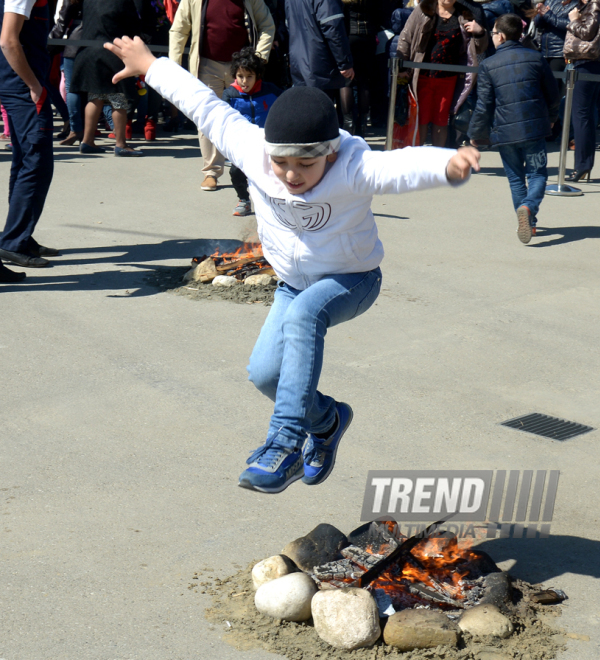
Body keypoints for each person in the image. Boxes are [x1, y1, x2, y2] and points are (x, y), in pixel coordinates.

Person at [104, 35, 481, 493]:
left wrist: (448, 164)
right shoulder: (254, 151)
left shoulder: (353, 167)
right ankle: (327, 422)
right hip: (292, 284)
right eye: (282, 163)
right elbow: (205, 106)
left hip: (352, 278)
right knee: (264, 375)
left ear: (330, 153)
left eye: (305, 164)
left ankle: (284, 443)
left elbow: (399, 166)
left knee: (306, 317)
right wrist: (150, 65)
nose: (290, 175)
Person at [469, 13, 559, 243]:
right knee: (537, 174)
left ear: (500, 35)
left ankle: (527, 218)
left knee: (516, 179)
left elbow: (484, 104)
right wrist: (551, 118)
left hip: (505, 131)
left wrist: (476, 134)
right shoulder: (536, 58)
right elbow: (552, 93)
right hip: (535, 128)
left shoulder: (489, 64)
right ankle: (529, 210)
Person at [169, 0, 275, 191]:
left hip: (243, 71)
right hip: (207, 65)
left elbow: (267, 24)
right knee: (208, 117)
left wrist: (258, 59)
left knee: (248, 117)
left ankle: (250, 168)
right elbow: (179, 29)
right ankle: (211, 171)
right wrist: (174, 65)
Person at [0, 0, 58, 282]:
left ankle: (19, 234)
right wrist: (34, 85)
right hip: (23, 86)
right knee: (36, 163)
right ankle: (14, 241)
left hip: (18, 83)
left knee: (26, 160)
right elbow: (8, 41)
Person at [396, 0, 488, 147]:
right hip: (422, 75)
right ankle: (418, 162)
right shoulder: (423, 9)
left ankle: (437, 163)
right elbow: (406, 37)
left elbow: (479, 49)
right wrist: (401, 66)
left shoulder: (465, 14)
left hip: (449, 78)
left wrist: (480, 32)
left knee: (441, 121)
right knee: (422, 120)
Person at [71, 0, 156, 157]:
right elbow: (133, 26)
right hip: (113, 52)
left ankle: (87, 141)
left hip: (89, 51)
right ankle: (121, 144)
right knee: (119, 98)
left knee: (95, 97)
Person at [222, 46, 281, 216]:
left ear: (258, 76)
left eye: (249, 76)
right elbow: (223, 119)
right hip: (243, 143)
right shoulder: (230, 94)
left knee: (271, 173)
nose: (244, 81)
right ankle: (244, 200)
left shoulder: (270, 90)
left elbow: (286, 104)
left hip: (267, 142)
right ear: (235, 76)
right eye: (240, 76)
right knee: (236, 172)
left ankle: (273, 203)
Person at [563, 0, 600, 183]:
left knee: (581, 114)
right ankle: (584, 165)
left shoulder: (596, 3)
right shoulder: (597, 3)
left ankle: (582, 165)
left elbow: (587, 32)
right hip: (593, 62)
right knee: (585, 114)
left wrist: (574, 20)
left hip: (589, 61)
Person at [284, 0, 355, 90]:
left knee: (306, 100)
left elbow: (289, 25)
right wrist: (344, 63)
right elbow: (333, 29)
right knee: (321, 101)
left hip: (298, 63)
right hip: (321, 65)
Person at [340, 0, 382, 137]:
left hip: (350, 38)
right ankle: (362, 126)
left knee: (347, 82)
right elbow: (378, 17)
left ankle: (349, 125)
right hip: (368, 38)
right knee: (364, 83)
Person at [49, 0, 83, 146]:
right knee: (94, 90)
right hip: (100, 40)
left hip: (76, 41)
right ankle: (88, 133)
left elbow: (62, 22)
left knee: (72, 88)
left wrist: (50, 44)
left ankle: (75, 129)